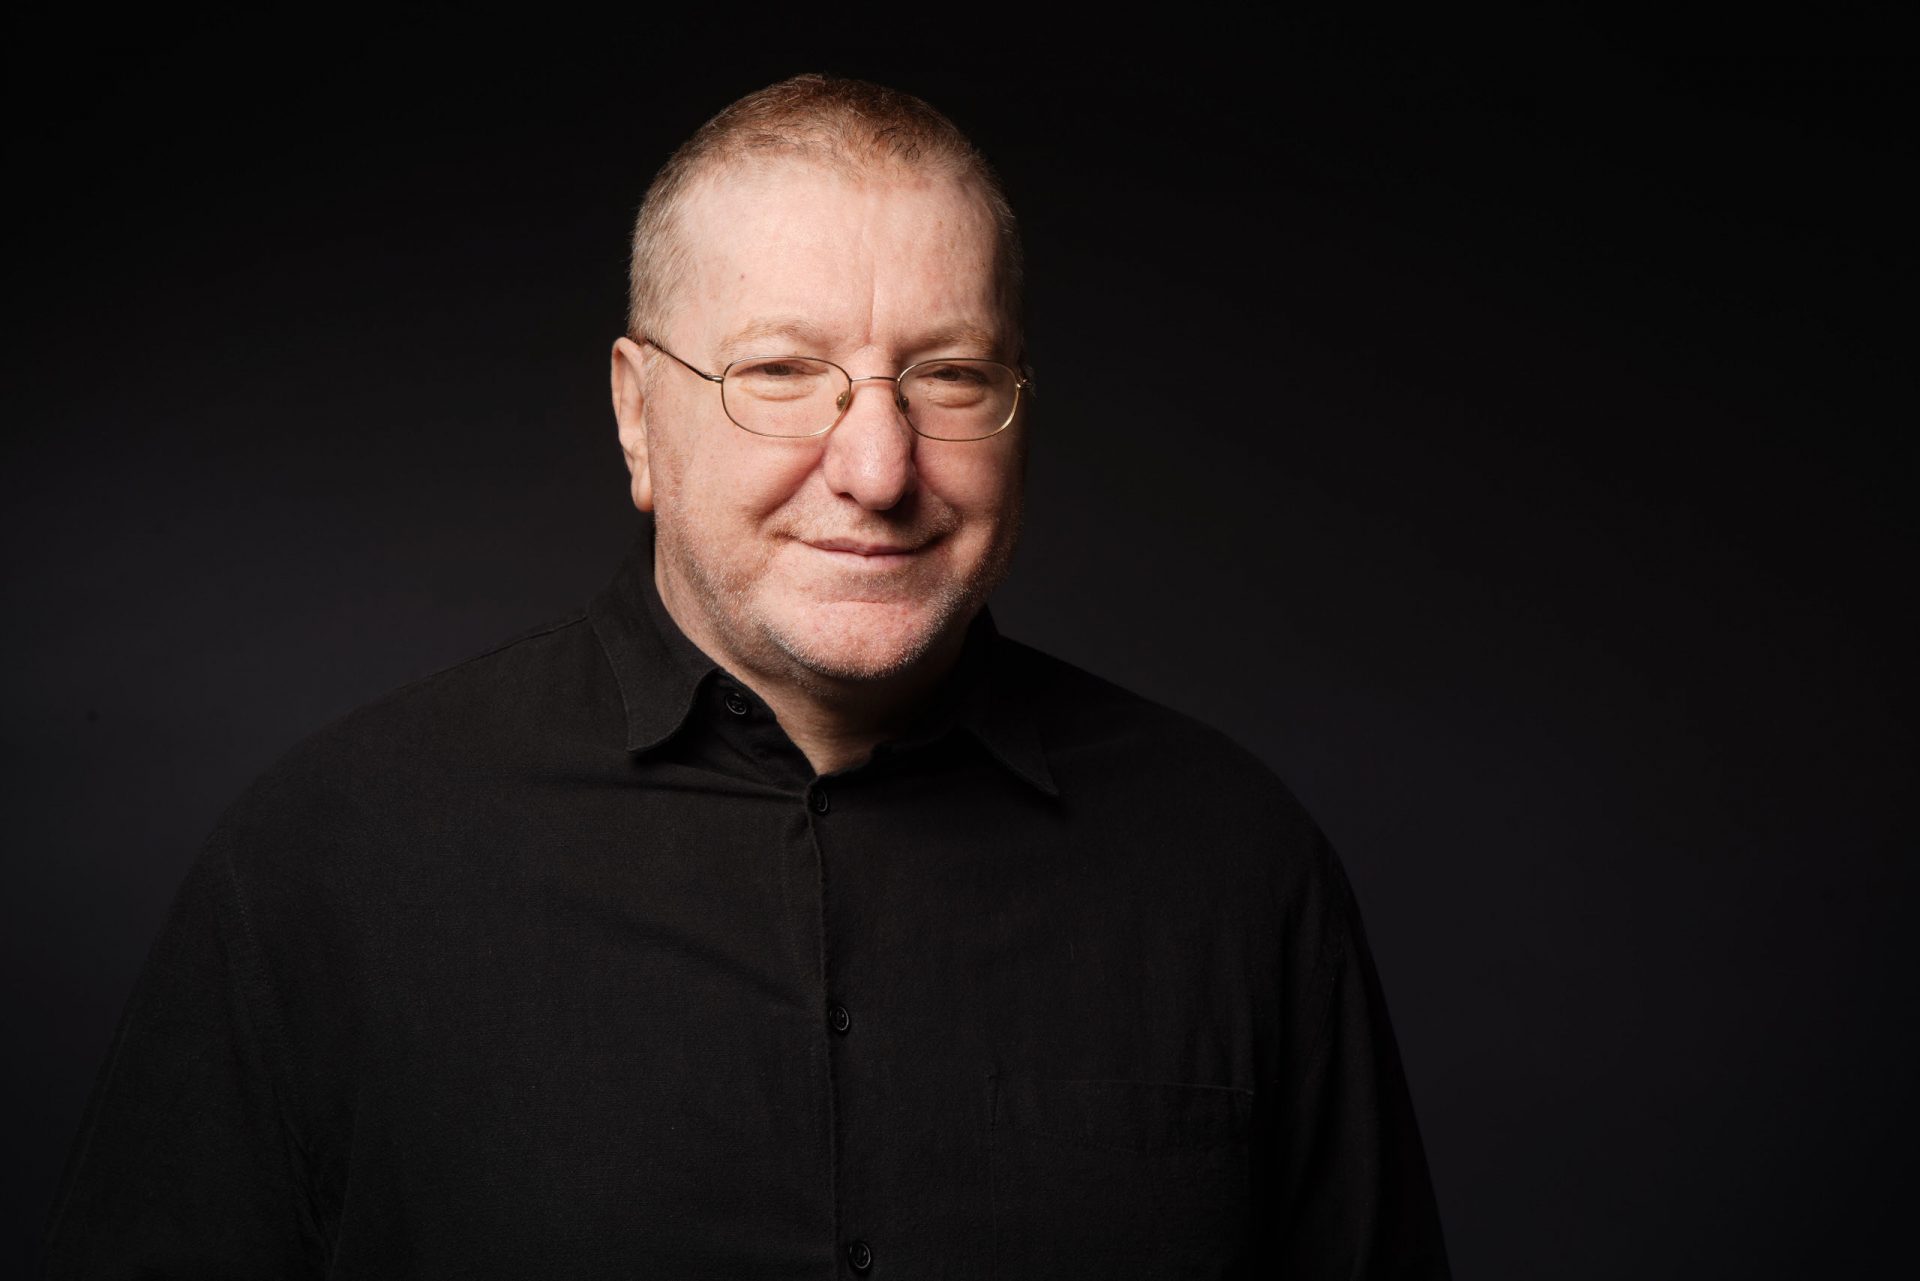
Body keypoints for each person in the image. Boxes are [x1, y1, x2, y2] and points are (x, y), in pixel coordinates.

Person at [44, 75, 1449, 1278]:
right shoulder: (328, 863)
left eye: (950, 376)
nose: (879, 467)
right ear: (637, 416)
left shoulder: (1238, 867)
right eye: (781, 371)